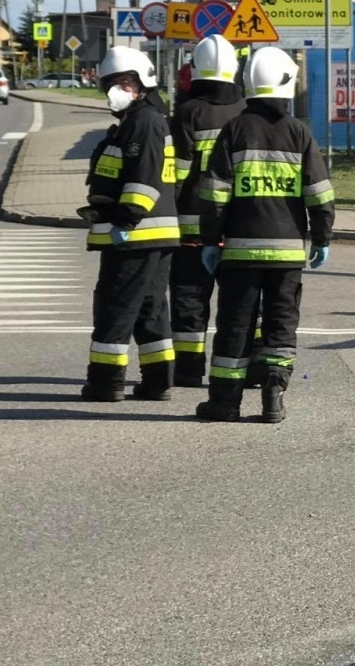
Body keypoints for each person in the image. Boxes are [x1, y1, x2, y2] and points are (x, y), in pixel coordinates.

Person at [195, 47, 334, 423]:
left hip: (240, 252)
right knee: (280, 321)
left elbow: (214, 195)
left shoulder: (234, 130)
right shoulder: (299, 133)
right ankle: (273, 395)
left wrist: (210, 240)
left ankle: (225, 402)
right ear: (287, 84)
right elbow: (319, 194)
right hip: (287, 253)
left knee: (235, 325)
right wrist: (321, 239)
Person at [80, 47, 179, 402]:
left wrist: (126, 218)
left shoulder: (144, 122)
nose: (115, 90)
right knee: (150, 311)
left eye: (123, 83)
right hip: (152, 233)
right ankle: (157, 381)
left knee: (116, 307)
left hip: (136, 234)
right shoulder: (138, 121)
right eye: (111, 84)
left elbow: (144, 177)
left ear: (142, 83)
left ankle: (105, 383)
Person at [169, 35, 248, 386]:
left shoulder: (188, 112)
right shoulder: (247, 110)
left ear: (195, 70)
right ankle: (246, 368)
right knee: (240, 304)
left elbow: (178, 173)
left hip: (192, 228)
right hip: (238, 228)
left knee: (189, 300)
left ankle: (188, 370)